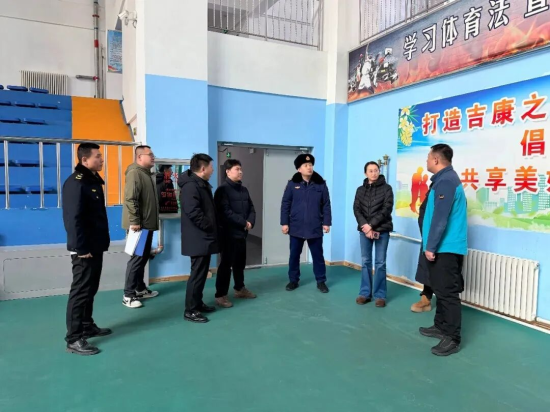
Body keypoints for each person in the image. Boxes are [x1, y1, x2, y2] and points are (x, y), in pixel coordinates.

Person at [62, 143, 111, 356]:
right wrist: (80, 247)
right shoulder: (77, 182)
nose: (101, 160)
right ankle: (74, 338)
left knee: (91, 288)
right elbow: (73, 219)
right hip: (84, 247)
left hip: (95, 245)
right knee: (80, 291)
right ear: (84, 160)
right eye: (97, 156)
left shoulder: (91, 181)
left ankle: (86, 325)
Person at [419, 144, 467, 357]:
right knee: (440, 288)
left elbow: (441, 218)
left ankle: (453, 338)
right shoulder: (442, 180)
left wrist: (431, 247)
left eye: (428, 157)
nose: (427, 161)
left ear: (436, 160)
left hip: (446, 247)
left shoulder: (446, 181)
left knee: (448, 293)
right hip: (442, 246)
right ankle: (440, 326)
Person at [280, 154, 331, 293]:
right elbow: (285, 204)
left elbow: (326, 204)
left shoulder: (321, 184)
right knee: (294, 255)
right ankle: (293, 280)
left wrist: (326, 222)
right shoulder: (292, 184)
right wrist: (284, 223)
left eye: (311, 165)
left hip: (315, 226)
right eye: (306, 165)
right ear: (299, 169)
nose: (309, 167)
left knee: (318, 256)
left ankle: (321, 281)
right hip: (296, 227)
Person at [179, 153, 219, 323]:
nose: (213, 170)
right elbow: (193, 212)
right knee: (197, 274)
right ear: (203, 168)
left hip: (203, 237)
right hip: (198, 237)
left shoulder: (200, 184)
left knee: (202, 273)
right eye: (211, 167)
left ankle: (197, 303)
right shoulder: (191, 186)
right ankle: (190, 310)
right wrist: (209, 226)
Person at [214, 159, 257, 308]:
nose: (240, 172)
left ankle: (240, 289)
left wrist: (250, 221)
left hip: (242, 234)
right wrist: (243, 222)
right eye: (237, 169)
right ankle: (220, 295)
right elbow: (225, 212)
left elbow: (251, 208)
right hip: (228, 234)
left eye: (241, 169)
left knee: (240, 263)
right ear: (228, 171)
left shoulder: (244, 190)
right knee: (226, 265)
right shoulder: (222, 190)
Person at [121, 145, 160, 309]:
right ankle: (128, 295)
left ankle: (140, 289)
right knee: (137, 259)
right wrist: (135, 221)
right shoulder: (135, 173)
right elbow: (130, 199)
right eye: (150, 154)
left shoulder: (145, 174)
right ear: (139, 157)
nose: (153, 157)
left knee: (143, 258)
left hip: (146, 225)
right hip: (140, 226)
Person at [353, 161, 394, 307]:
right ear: (366, 173)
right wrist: (366, 227)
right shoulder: (360, 190)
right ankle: (365, 293)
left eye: (376, 170)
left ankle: (380, 295)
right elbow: (356, 209)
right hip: (364, 230)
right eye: (370, 171)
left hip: (382, 230)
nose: (374, 173)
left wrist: (371, 225)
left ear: (379, 171)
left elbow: (386, 209)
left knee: (380, 263)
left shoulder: (387, 189)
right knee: (365, 262)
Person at [411, 180, 434, 313]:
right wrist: (426, 233)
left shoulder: (450, 186)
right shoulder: (434, 187)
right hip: (429, 236)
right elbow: (423, 212)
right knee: (426, 267)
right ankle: (426, 299)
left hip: (444, 238)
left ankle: (445, 306)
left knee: (443, 272)